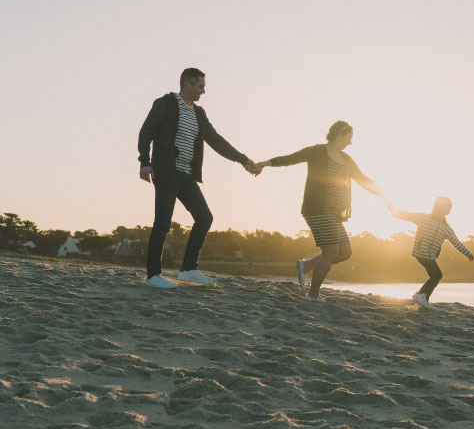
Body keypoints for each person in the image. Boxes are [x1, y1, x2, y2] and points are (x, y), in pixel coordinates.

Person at [138, 67, 257, 288]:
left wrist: (242, 159)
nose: (203, 91)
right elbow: (146, 131)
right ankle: (153, 275)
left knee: (204, 218)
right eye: (200, 86)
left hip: (186, 174)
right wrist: (145, 162)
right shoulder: (165, 104)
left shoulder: (199, 114)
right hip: (166, 170)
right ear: (188, 84)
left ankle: (188, 269)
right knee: (163, 223)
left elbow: (216, 140)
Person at [252, 121, 387, 302]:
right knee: (331, 252)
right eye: (349, 138)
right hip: (317, 208)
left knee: (345, 252)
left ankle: (306, 265)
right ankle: (313, 294)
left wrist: (385, 196)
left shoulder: (346, 159)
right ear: (340, 134)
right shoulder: (317, 152)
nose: (350, 142)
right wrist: (263, 164)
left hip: (334, 213)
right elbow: (290, 159)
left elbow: (362, 179)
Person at [388, 196, 474, 310]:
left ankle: (423, 299)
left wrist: (468, 254)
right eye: (442, 208)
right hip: (421, 252)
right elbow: (407, 215)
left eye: (447, 209)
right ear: (436, 207)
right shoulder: (422, 218)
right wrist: (394, 211)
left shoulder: (447, 228)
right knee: (437, 275)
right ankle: (421, 296)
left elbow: (456, 243)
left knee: (435, 275)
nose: (445, 211)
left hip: (430, 255)